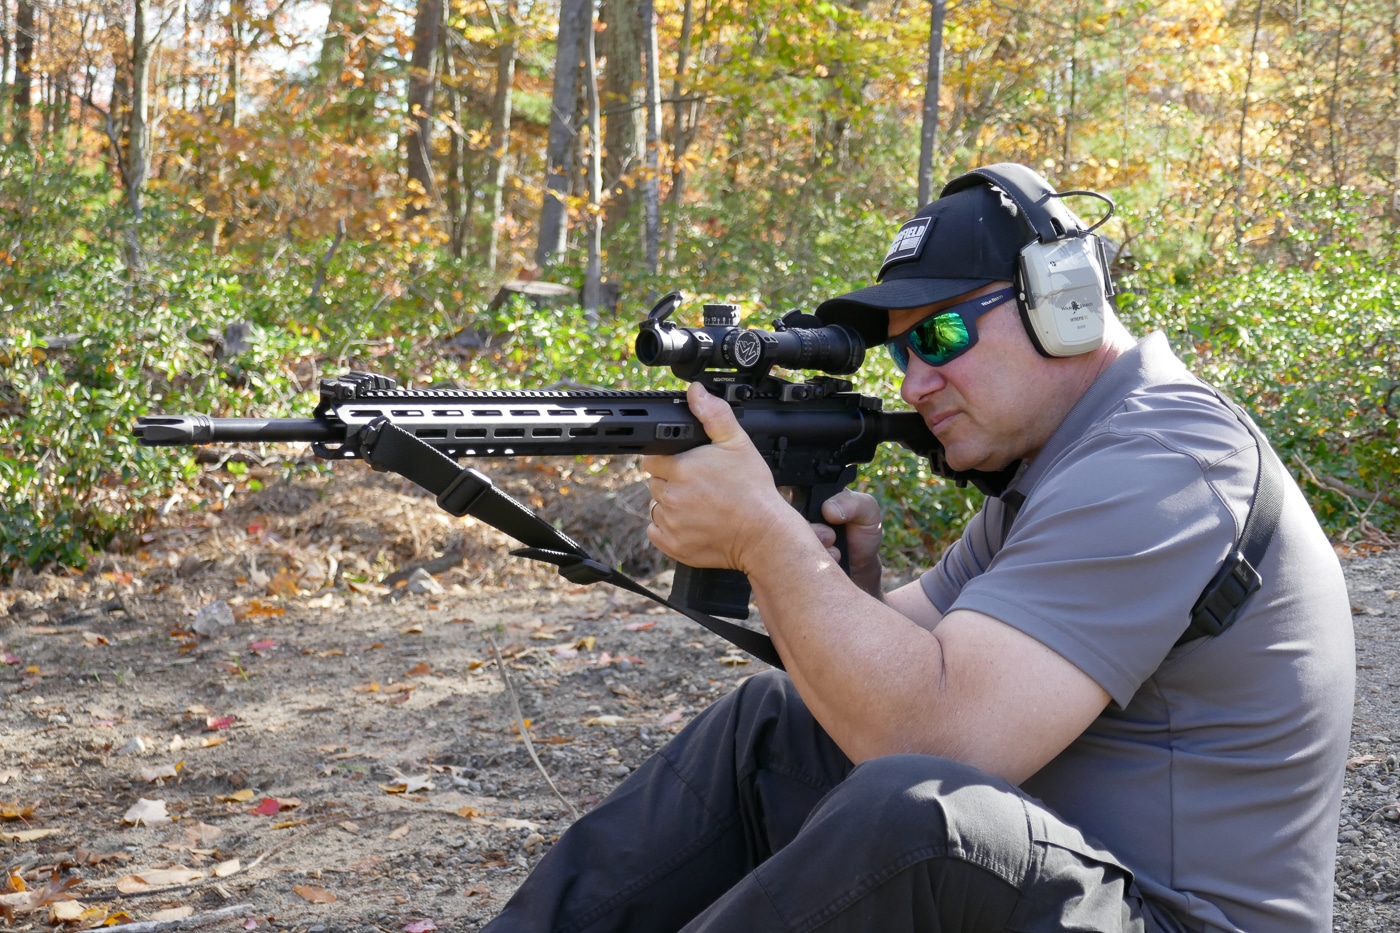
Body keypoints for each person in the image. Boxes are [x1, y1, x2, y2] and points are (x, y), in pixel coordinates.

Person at [480, 165, 1355, 932]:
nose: (915, 380)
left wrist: (762, 534)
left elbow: (937, 737)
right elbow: (883, 680)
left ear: (1063, 300)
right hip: (1081, 888)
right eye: (901, 351)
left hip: (1165, 917)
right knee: (776, 723)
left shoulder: (1161, 457)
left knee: (919, 822)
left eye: (940, 335)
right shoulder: (1064, 463)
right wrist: (828, 576)